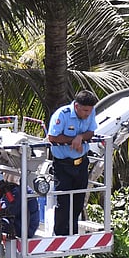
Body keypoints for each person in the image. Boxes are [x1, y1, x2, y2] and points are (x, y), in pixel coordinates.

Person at [46, 89, 99, 235]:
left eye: (90, 111)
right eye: (85, 111)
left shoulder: (90, 112)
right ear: (76, 106)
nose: (88, 114)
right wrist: (73, 140)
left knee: (78, 201)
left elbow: (91, 132)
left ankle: (73, 233)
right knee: (63, 203)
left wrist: (80, 137)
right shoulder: (62, 115)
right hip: (63, 165)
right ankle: (60, 235)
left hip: (81, 164)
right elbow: (52, 137)